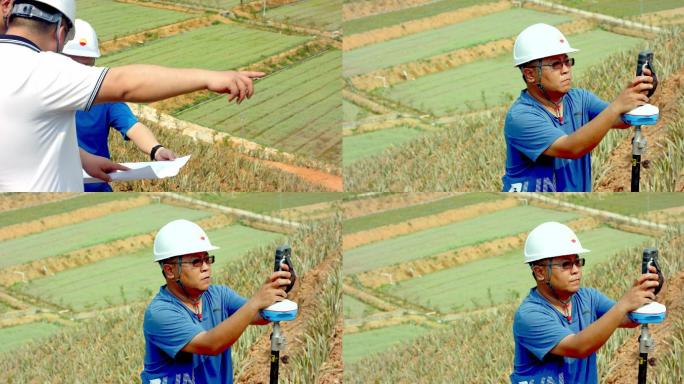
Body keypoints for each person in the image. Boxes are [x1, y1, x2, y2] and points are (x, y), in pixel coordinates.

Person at [0, 0, 263, 191]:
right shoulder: (47, 70)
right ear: (60, 32)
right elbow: (127, 83)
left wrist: (85, 160)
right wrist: (207, 78)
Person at [502, 23, 654, 192]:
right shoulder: (521, 117)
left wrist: (641, 92)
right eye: (556, 65)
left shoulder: (580, 98)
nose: (566, 70)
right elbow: (570, 148)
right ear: (530, 74)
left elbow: (622, 120)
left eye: (567, 62)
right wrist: (617, 106)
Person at [142, 219, 292, 383]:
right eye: (196, 261)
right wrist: (256, 301)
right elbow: (210, 344)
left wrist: (280, 286)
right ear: (170, 271)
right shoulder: (159, 314)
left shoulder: (219, 295)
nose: (205, 267)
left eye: (207, 259)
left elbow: (261, 316)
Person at [511, 222, 661, 383]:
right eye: (565, 264)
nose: (576, 270)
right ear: (540, 272)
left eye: (577, 262)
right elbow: (578, 347)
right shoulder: (529, 315)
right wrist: (624, 303)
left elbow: (629, 319)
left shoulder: (588, 298)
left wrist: (647, 291)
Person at [62, 19, 177, 192]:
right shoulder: (40, 93)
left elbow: (133, 126)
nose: (81, 72)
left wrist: (156, 149)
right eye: (74, 64)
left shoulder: (103, 93)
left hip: (97, 187)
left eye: (86, 65)